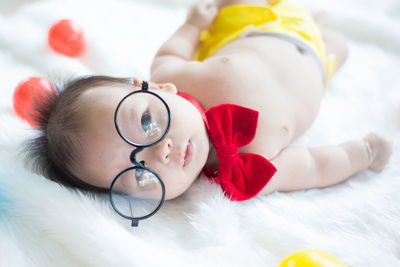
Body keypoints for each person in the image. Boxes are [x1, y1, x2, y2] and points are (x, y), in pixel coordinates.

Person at [27, 0, 392, 224]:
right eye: (139, 174)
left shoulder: (170, 74)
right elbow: (313, 164)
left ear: (155, 89)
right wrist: (361, 154)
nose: (160, 153)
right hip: (319, 63)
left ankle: (314, 20)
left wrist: (194, 23)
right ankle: (323, 30)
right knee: (340, 48)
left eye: (145, 121)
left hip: (260, 22)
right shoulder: (247, 172)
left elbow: (174, 49)